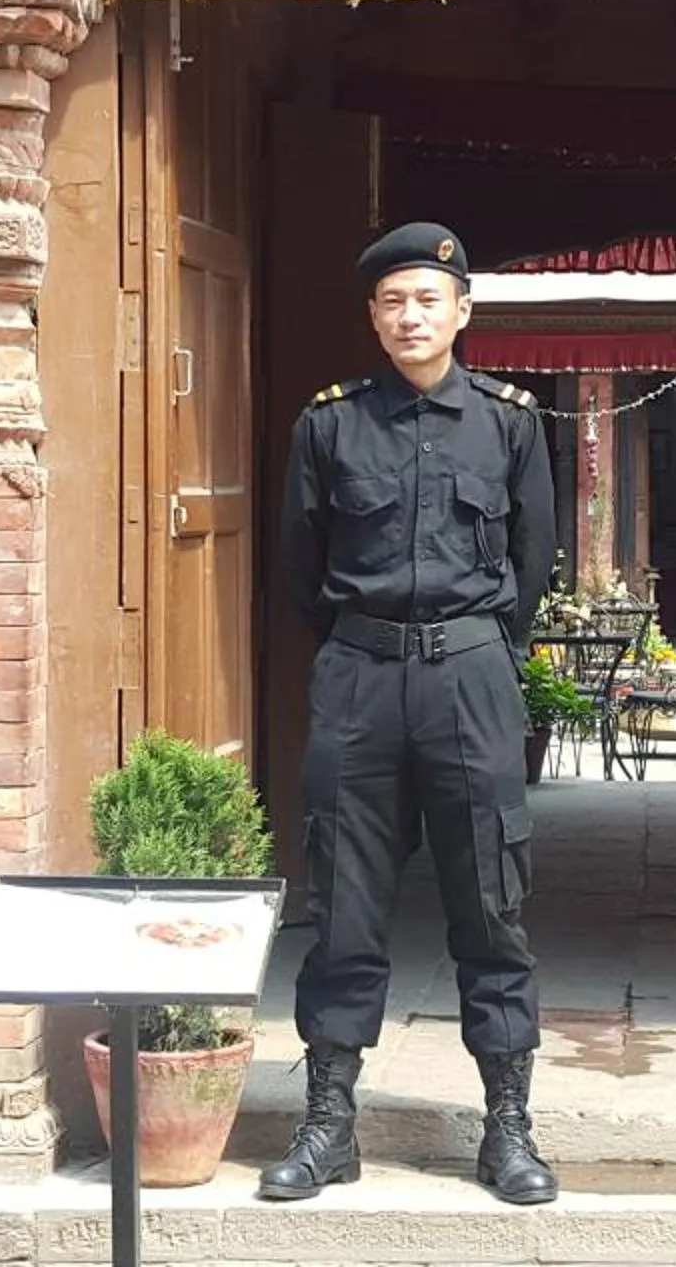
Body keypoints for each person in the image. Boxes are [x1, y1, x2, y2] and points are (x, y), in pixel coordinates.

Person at [262, 220, 562, 1207]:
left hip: (472, 670)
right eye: (392, 300)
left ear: (462, 309)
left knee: (491, 901)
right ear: (374, 315)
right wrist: (367, 644)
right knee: (344, 905)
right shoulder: (331, 424)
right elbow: (303, 567)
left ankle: (507, 1125)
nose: (410, 314)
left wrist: (476, 651)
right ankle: (329, 1122)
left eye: (428, 298)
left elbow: (532, 561)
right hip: (359, 671)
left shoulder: (512, 421)